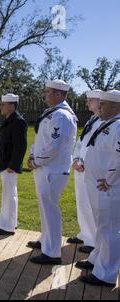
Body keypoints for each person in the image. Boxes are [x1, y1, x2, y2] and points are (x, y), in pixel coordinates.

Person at [27, 80, 78, 265]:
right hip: (44, 168)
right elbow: (41, 139)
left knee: (50, 210)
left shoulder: (62, 116)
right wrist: (32, 156)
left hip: (52, 170)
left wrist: (37, 161)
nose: (45, 94)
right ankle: (45, 241)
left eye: (48, 92)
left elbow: (54, 146)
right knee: (44, 209)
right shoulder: (52, 113)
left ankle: (52, 253)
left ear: (58, 94)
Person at [76, 90, 120, 288]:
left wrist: (110, 180)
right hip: (97, 185)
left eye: (103, 104)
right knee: (102, 227)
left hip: (108, 188)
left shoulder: (118, 127)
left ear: (115, 106)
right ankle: (97, 260)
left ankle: (106, 273)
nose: (99, 107)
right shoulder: (104, 123)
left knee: (110, 230)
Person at [68, 90, 103, 254]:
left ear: (100, 102)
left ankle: (92, 240)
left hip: (91, 169)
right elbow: (81, 143)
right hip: (80, 167)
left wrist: (84, 162)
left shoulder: (105, 121)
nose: (87, 103)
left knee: (90, 205)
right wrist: (75, 159)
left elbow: (99, 148)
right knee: (81, 203)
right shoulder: (92, 119)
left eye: (90, 100)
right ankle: (84, 233)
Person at [0, 94, 28, 236]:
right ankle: (7, 220)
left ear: (12, 106)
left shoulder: (18, 122)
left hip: (9, 165)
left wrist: (13, 165)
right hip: (4, 163)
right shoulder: (10, 120)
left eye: (3, 104)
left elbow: (21, 146)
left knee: (9, 194)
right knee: (8, 193)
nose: (1, 107)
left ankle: (7, 226)